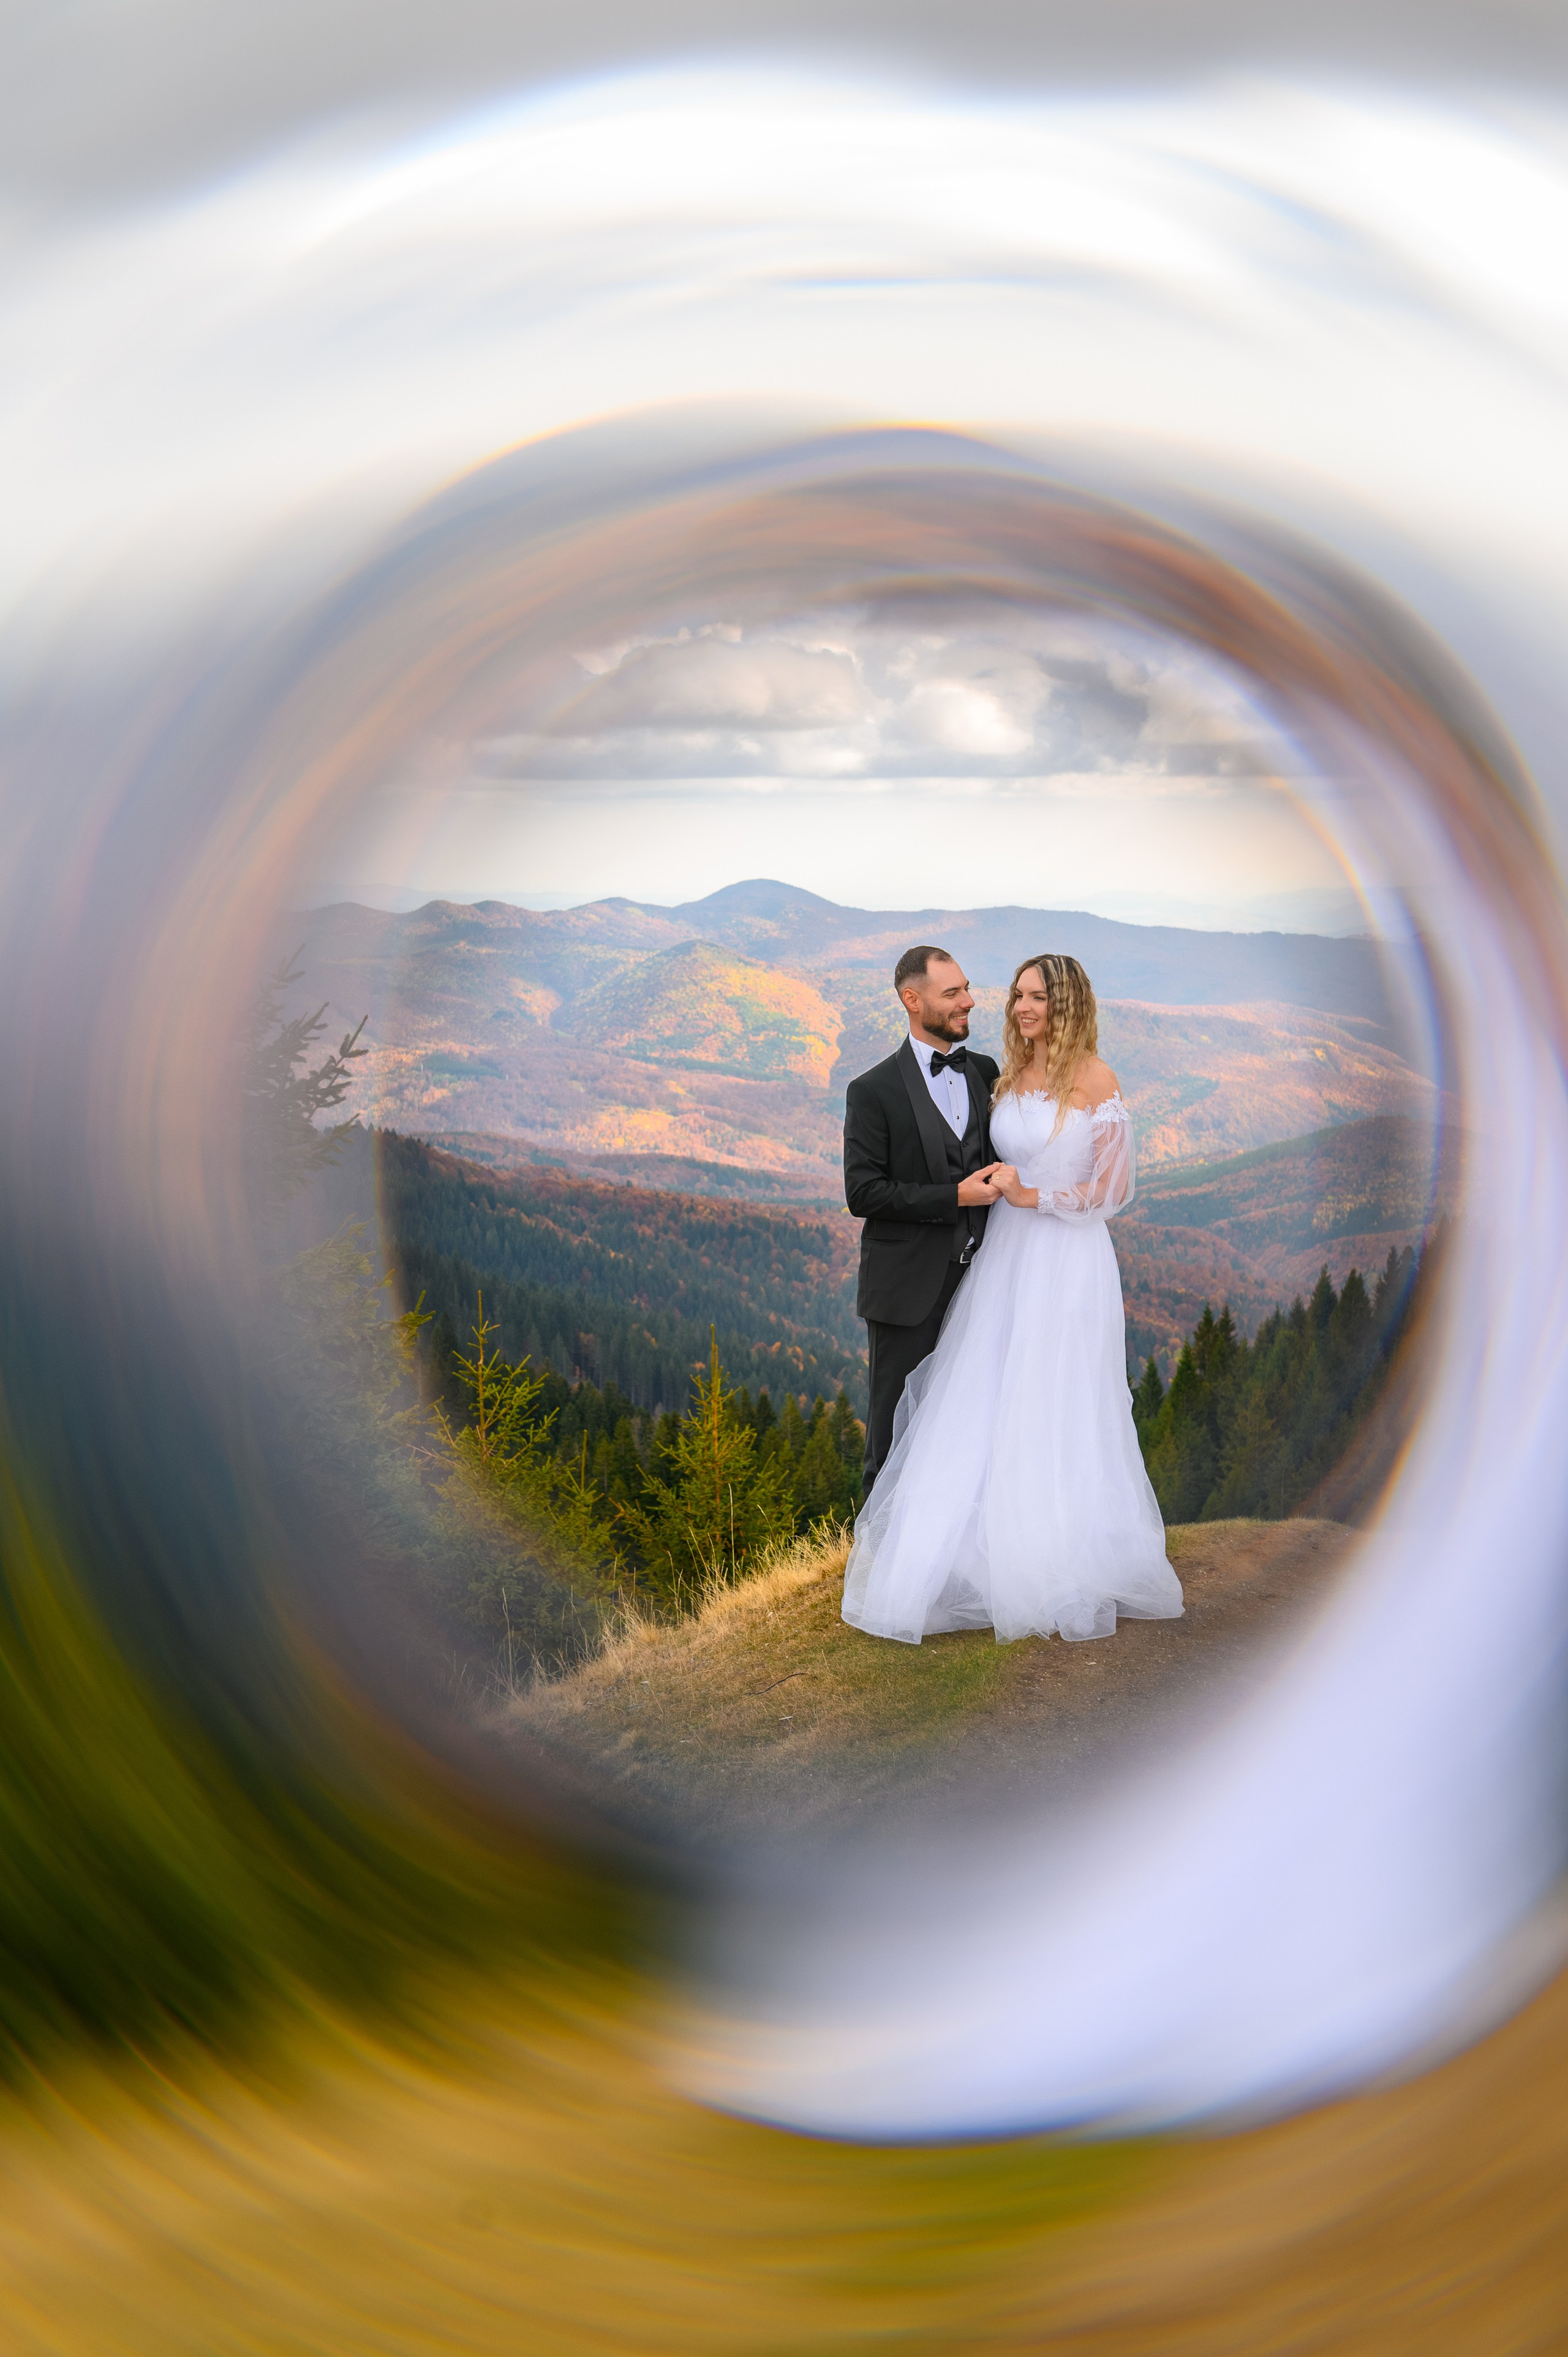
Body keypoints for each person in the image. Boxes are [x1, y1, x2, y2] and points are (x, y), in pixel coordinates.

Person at [842, 952, 1184, 1646]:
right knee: (981, 1402)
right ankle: (938, 1558)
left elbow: (1111, 1190)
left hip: (1066, 1259)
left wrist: (1033, 1193)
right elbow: (877, 1187)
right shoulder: (991, 1076)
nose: (1020, 1007)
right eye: (1018, 996)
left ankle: (1055, 1554)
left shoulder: (1087, 1080)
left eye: (1038, 998)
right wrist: (980, 1190)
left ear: (1069, 1004)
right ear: (914, 1000)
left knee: (1055, 1400)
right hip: (998, 1263)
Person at [843, 945, 1008, 1499]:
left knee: (973, 1423)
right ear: (912, 1000)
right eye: (953, 993)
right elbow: (863, 1192)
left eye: (966, 987)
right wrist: (952, 1196)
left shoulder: (984, 1071)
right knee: (892, 1433)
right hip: (906, 1289)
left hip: (983, 1282)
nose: (969, 1001)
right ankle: (873, 1569)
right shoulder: (873, 1091)